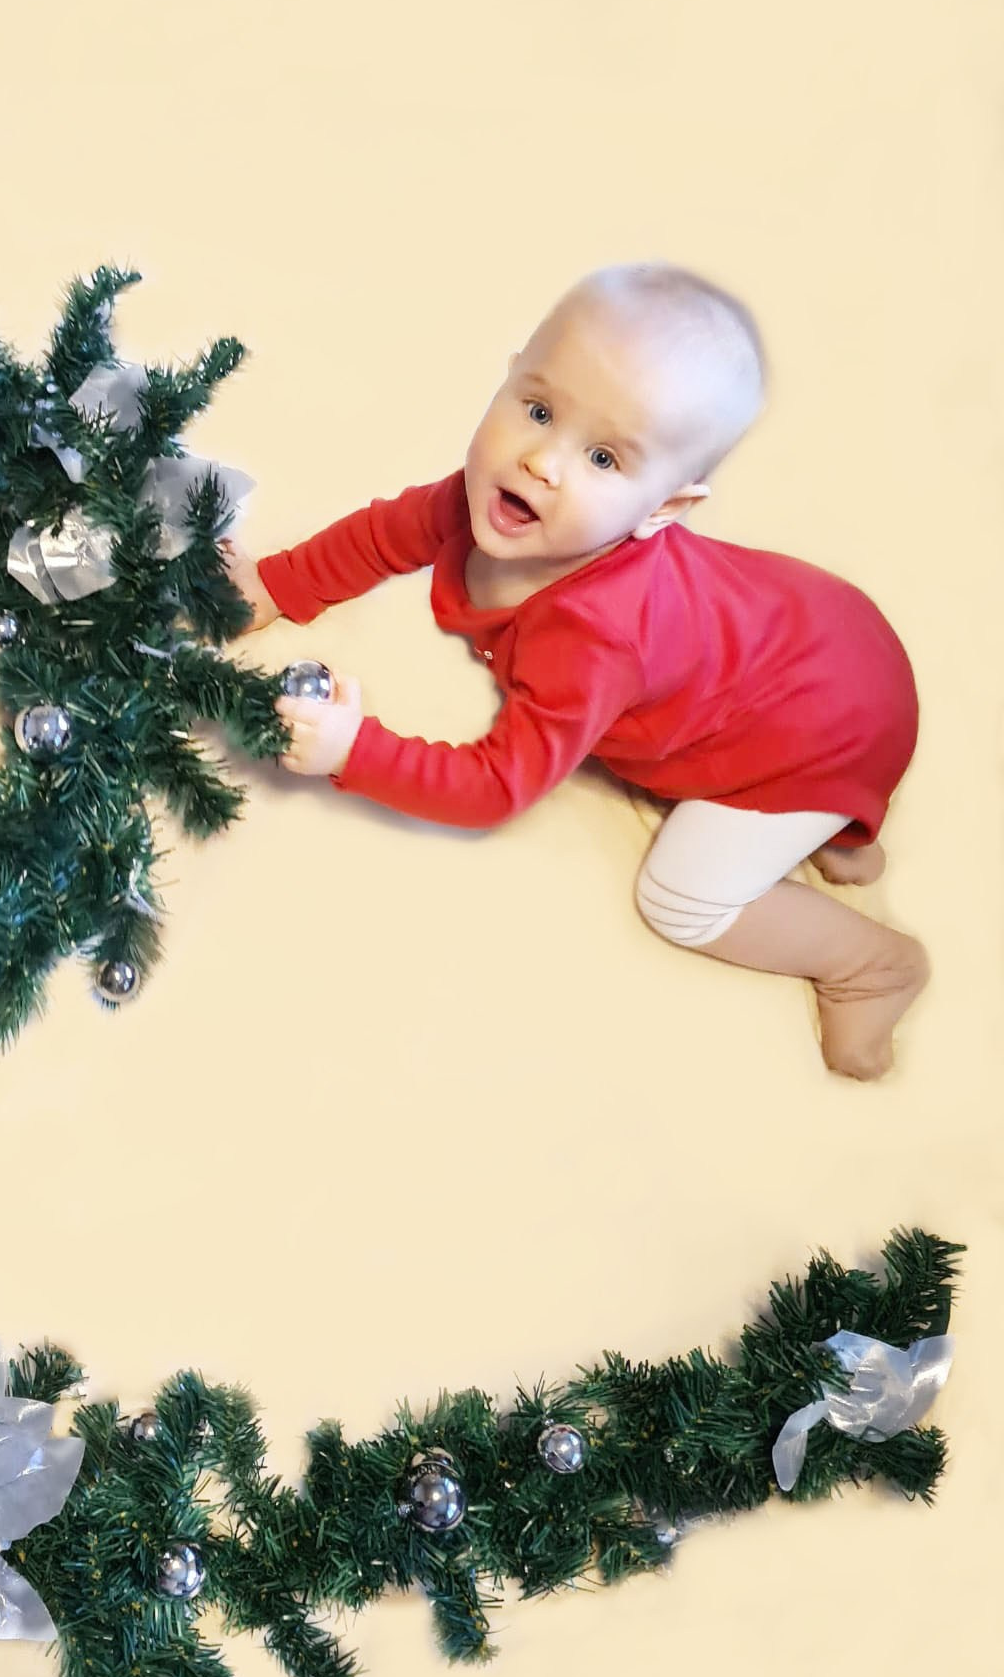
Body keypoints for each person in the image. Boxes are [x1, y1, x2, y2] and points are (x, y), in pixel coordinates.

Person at [218, 264, 925, 1080]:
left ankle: (870, 963)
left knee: (681, 899)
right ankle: (840, 832)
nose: (542, 462)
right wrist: (272, 587)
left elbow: (494, 787)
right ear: (509, 375)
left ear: (665, 511)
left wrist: (355, 751)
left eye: (602, 457)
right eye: (539, 409)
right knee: (760, 725)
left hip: (823, 730)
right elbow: (385, 535)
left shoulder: (593, 640)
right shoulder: (489, 495)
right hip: (822, 643)